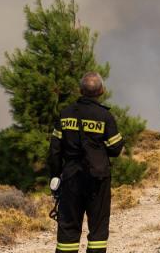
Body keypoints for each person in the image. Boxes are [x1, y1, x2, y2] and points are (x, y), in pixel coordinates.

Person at [48, 73, 124, 253]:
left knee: (68, 227)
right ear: (102, 91)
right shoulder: (105, 116)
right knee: (98, 229)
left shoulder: (65, 114)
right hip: (98, 179)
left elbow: (54, 150)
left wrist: (55, 176)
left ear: (80, 90)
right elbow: (115, 149)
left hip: (71, 178)